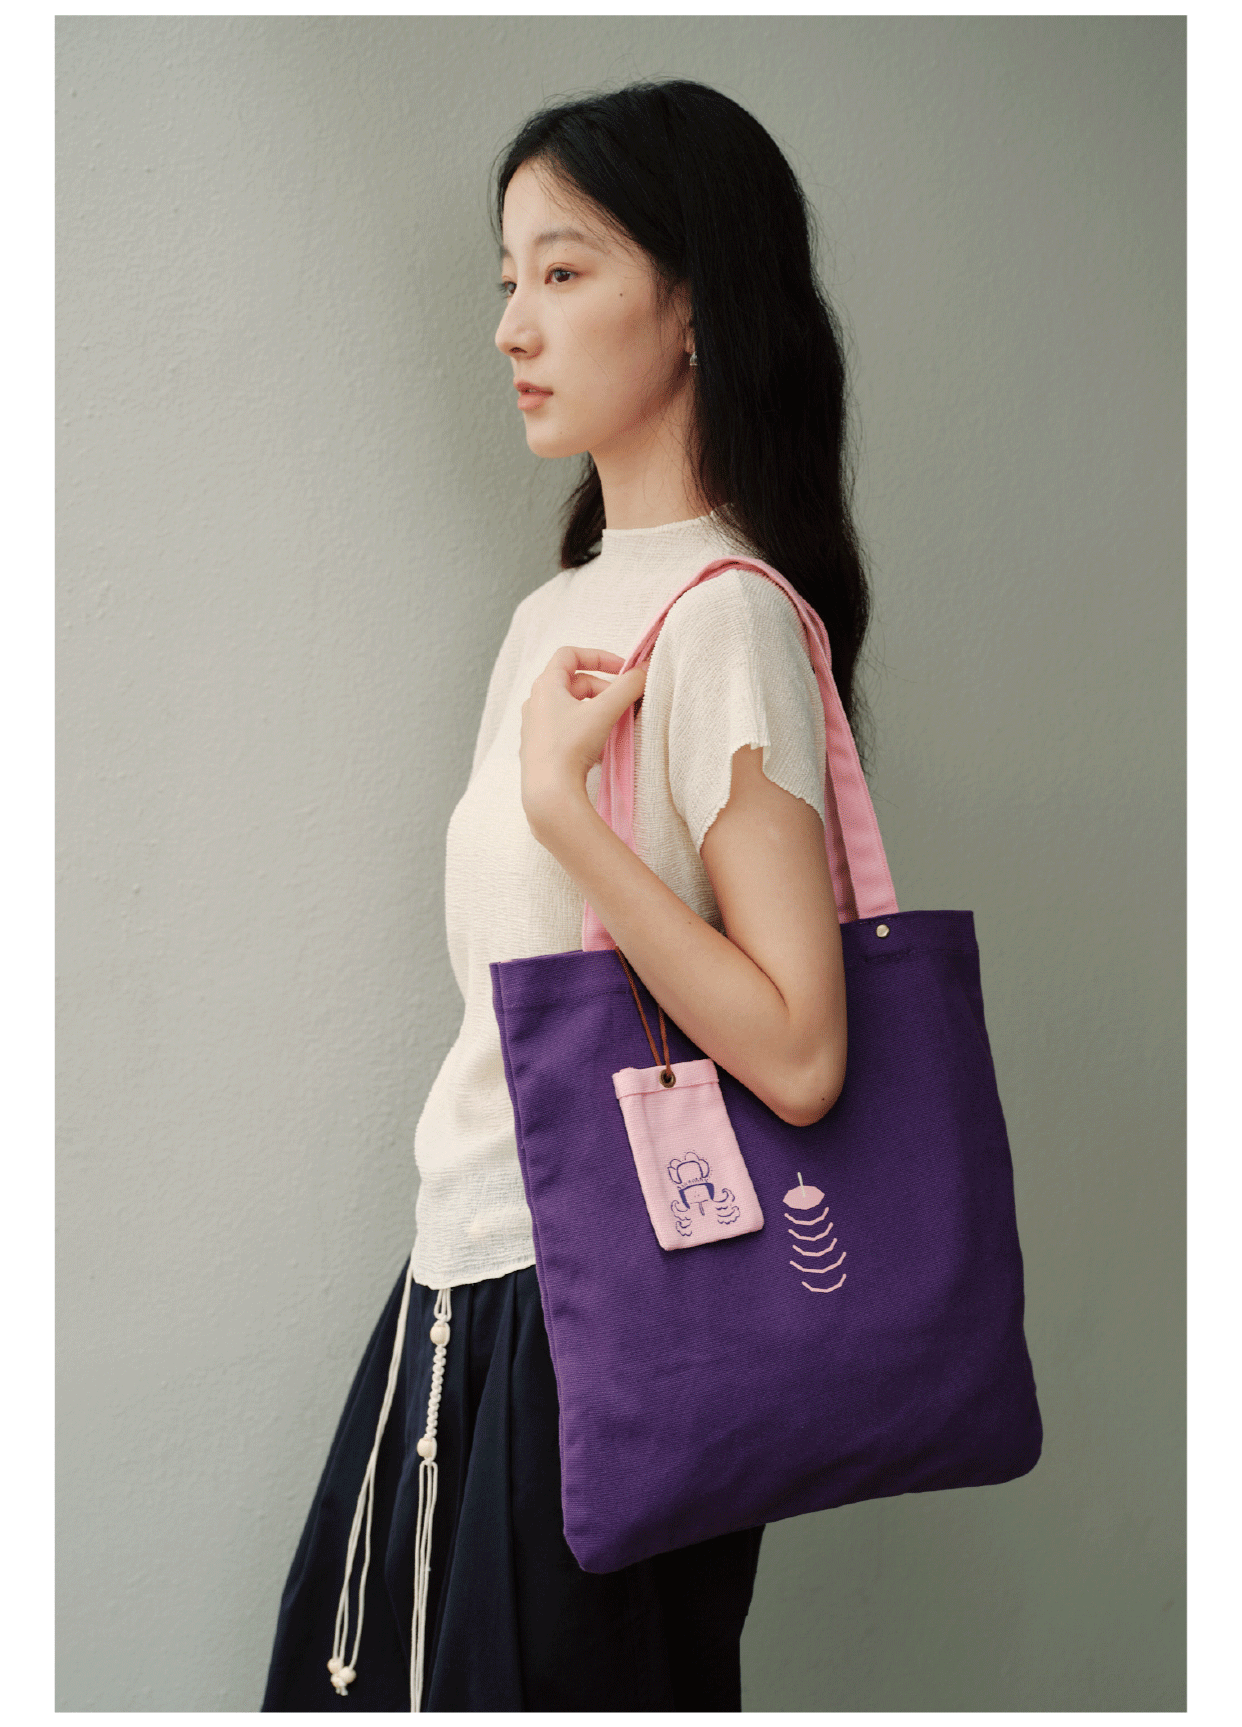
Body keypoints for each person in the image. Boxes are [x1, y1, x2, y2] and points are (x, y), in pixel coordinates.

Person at [262, 77, 871, 1712]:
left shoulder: (727, 616)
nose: (510, 325)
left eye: (563, 269)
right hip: (457, 1280)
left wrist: (566, 816)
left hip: (598, 1303)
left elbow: (802, 1049)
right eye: (505, 279)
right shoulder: (557, 614)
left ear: (692, 303)